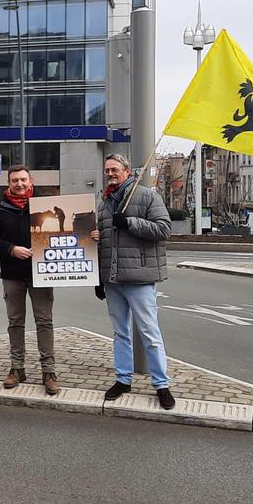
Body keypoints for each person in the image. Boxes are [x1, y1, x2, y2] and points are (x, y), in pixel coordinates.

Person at [90, 153, 176, 410]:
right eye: (107, 170)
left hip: (139, 277)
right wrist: (99, 274)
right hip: (112, 278)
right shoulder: (104, 203)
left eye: (114, 169)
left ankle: (162, 385)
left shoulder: (147, 196)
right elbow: (104, 240)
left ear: (126, 171)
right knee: (120, 333)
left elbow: (164, 230)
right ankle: (123, 379)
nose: (110, 174)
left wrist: (130, 222)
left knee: (150, 333)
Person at [0, 164, 60, 394]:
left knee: (44, 321)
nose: (19, 184)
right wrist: (10, 249)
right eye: (15, 180)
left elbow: (66, 230)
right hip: (12, 272)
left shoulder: (44, 204)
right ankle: (17, 368)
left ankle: (48, 371)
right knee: (15, 322)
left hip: (41, 272)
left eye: (23, 179)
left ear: (31, 180)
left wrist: (88, 233)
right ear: (9, 183)